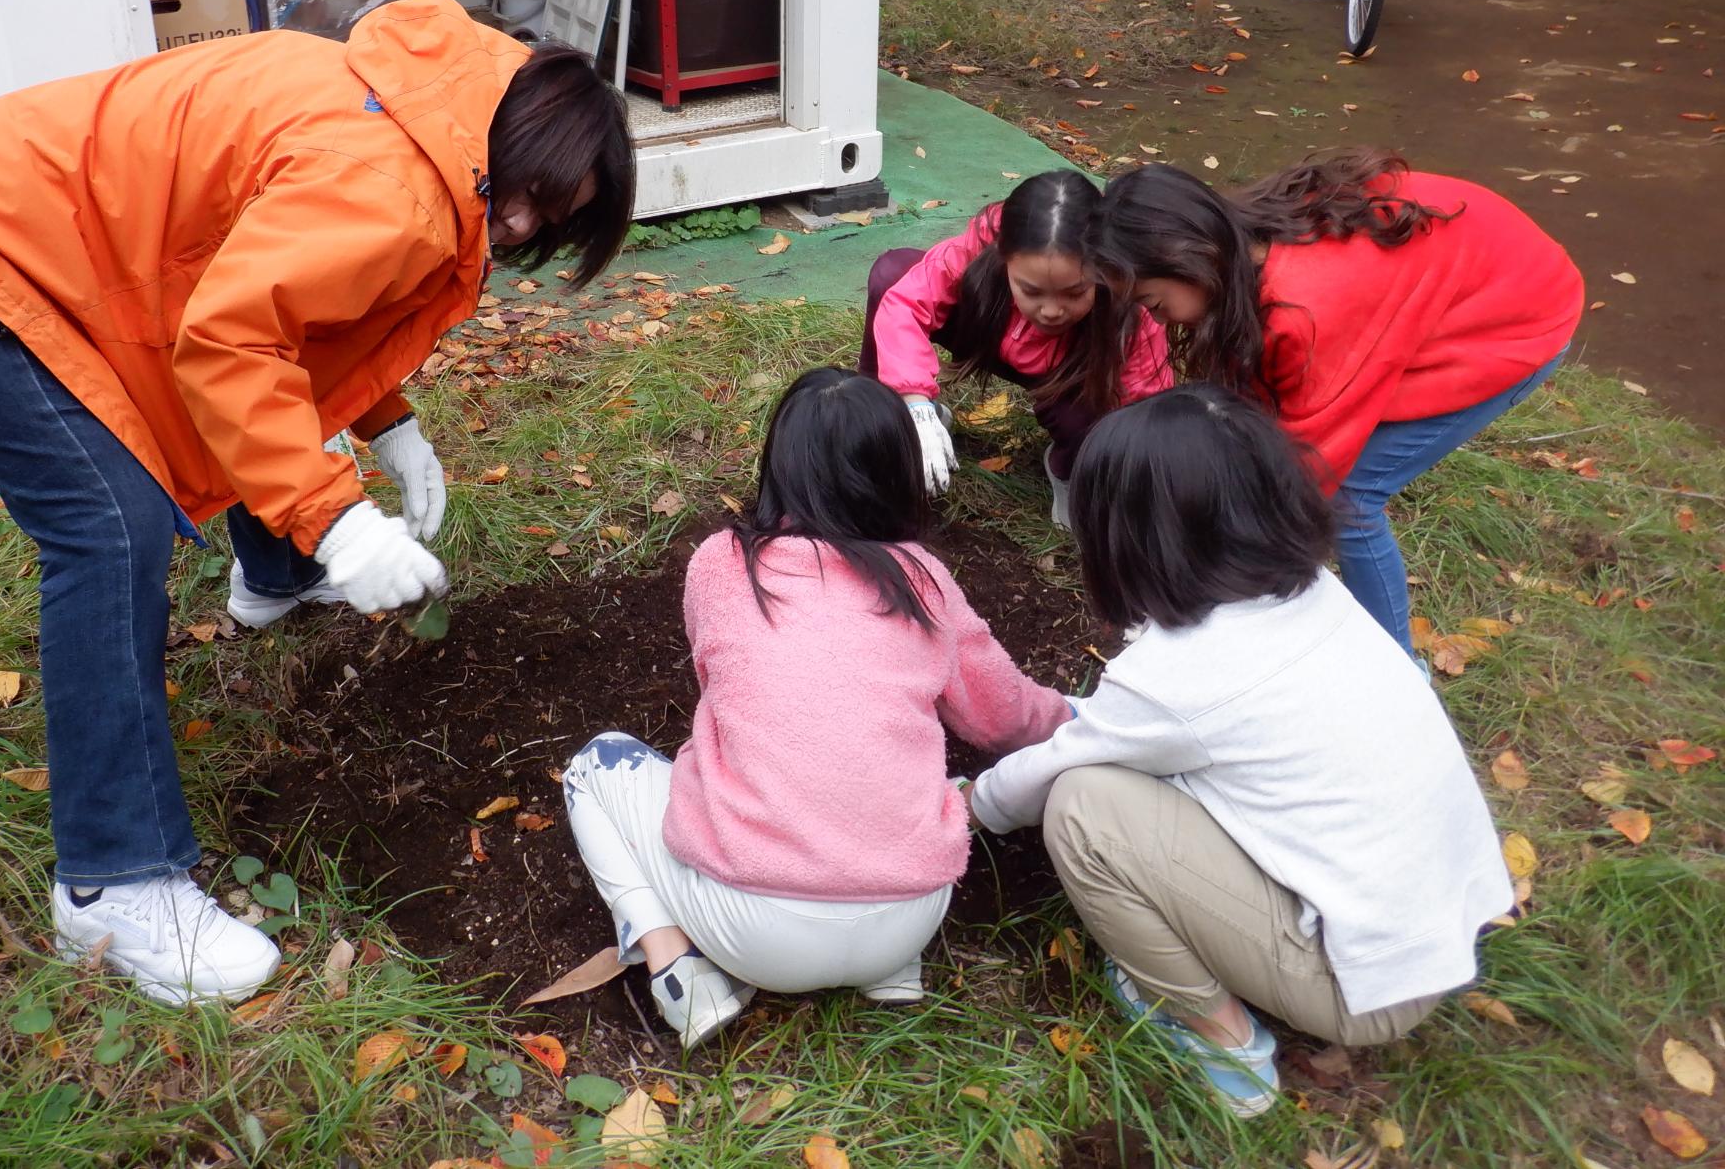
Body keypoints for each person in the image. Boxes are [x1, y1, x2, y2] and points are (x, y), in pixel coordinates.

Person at [0, 0, 635, 1006]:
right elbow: (233, 345)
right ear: (515, 128)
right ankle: (113, 881)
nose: (523, 225)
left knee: (228, 425)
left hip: (63, 243)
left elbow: (290, 300)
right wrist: (342, 523)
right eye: (532, 195)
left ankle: (272, 575)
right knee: (109, 529)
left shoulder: (422, 105)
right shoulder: (393, 183)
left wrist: (384, 419)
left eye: (551, 221)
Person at [967, 385, 1514, 1118]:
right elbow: (1159, 729)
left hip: (1361, 988)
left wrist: (969, 803)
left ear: (1131, 536)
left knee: (1084, 808)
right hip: (1434, 931)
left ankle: (1223, 1043)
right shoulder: (1311, 593)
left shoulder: (1183, 674)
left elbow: (1044, 775)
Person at [562, 368, 1071, 1048]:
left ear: (779, 463)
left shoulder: (723, 564)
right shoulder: (922, 579)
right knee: (938, 783)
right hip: (910, 911)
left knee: (595, 765)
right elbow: (1003, 718)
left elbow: (725, 684)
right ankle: (889, 971)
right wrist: (1083, 718)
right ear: (897, 471)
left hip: (750, 925)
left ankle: (677, 968)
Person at [1090, 151, 1581, 656]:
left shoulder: (1307, 310)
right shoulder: (1242, 248)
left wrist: (1220, 559)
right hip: (1470, 270)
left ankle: (1397, 670)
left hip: (1521, 315)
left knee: (1349, 499)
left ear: (1188, 256)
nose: (1160, 321)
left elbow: (1308, 469)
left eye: (1153, 303)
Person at [860, 171, 1170, 529]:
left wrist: (1128, 481)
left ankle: (1070, 470)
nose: (1051, 310)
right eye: (1032, 290)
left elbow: (1145, 408)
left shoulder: (1130, 310)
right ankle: (887, 415)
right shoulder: (980, 244)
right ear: (1003, 256)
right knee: (892, 274)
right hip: (986, 333)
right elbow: (906, 303)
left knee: (1095, 423)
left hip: (1066, 374)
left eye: (1074, 292)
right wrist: (913, 403)